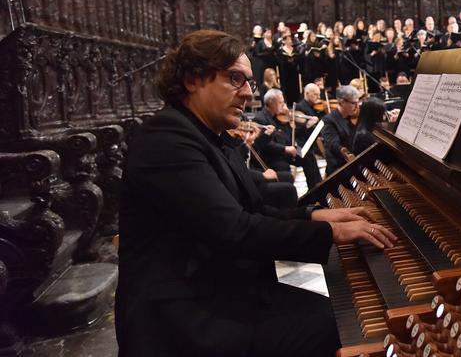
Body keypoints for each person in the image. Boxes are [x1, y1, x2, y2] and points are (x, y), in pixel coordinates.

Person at [116, 30, 395, 357]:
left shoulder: (206, 134)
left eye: (249, 81)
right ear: (193, 79)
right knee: (341, 326)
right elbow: (235, 230)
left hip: (221, 289)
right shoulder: (167, 140)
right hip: (182, 315)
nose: (248, 92)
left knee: (344, 313)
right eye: (235, 79)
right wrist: (329, 233)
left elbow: (251, 209)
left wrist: (314, 214)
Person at [321, 85, 362, 176]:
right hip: (340, 166)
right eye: (354, 103)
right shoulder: (329, 120)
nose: (357, 106)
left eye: (358, 102)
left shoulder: (349, 117)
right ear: (342, 102)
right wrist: (347, 154)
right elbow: (333, 144)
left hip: (352, 162)